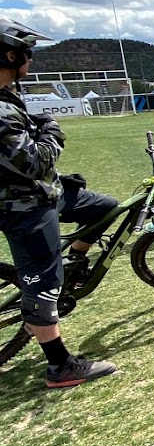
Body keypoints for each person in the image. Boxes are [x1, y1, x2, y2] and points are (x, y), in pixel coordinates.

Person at [0, 23, 118, 388]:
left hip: (43, 193)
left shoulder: (7, 95)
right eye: (28, 53)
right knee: (42, 283)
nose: (31, 60)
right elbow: (33, 163)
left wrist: (60, 178)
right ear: (10, 55)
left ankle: (76, 260)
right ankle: (59, 366)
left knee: (105, 207)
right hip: (23, 207)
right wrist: (52, 130)